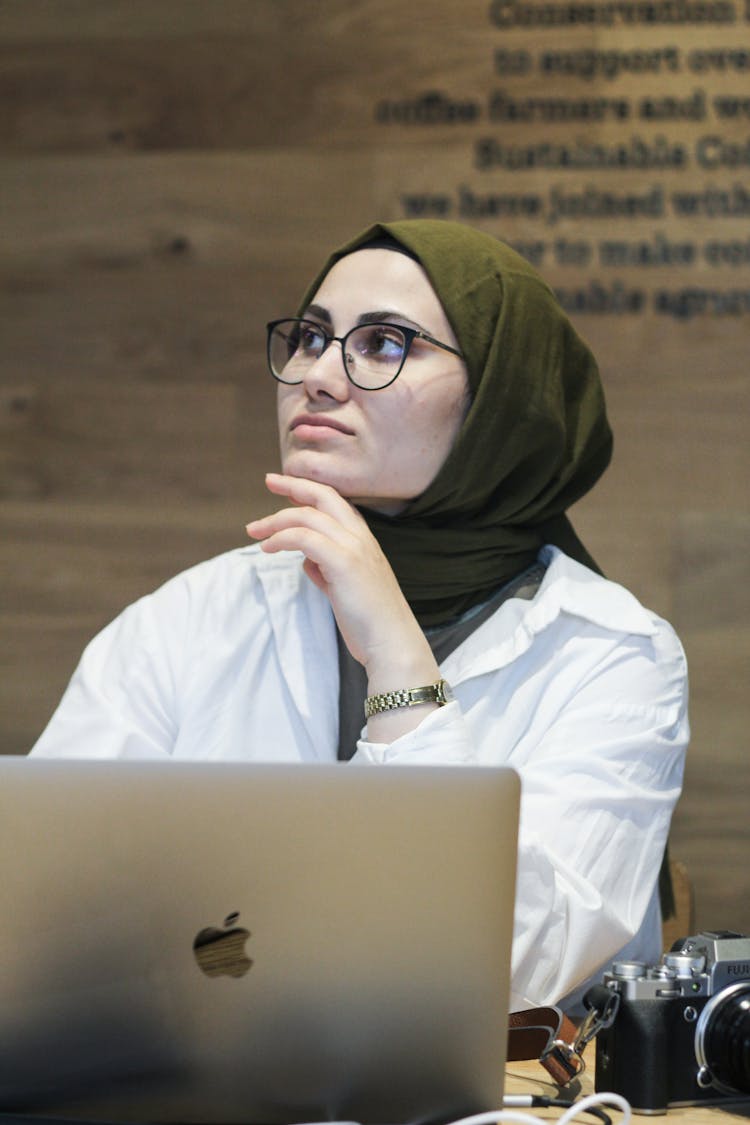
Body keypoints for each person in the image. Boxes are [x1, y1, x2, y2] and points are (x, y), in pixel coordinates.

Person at [30, 219, 689, 1014]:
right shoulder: (188, 618)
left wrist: (397, 659)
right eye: (310, 337)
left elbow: (511, 966)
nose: (317, 375)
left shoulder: (614, 653)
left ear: (498, 402)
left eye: (383, 344)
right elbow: (40, 917)